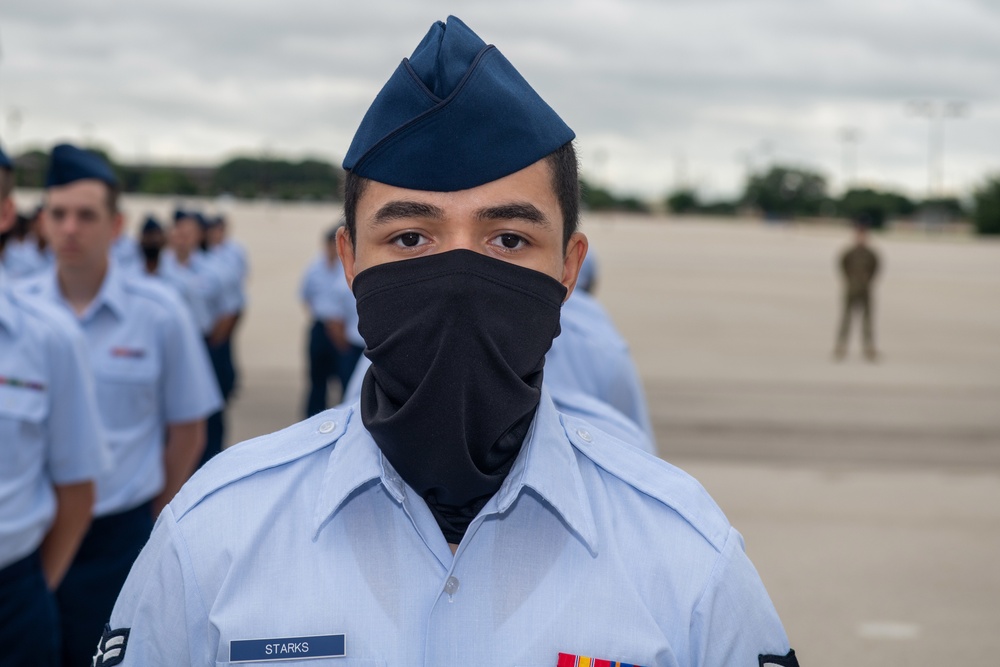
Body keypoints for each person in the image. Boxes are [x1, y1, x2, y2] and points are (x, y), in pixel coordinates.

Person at [105, 17, 797, 667]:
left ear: (568, 268)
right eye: (411, 237)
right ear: (349, 261)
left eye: (508, 239)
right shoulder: (211, 539)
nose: (460, 278)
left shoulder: (687, 557)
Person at [19, 143, 222, 667]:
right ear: (41, 222)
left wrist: (156, 523)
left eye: (86, 215)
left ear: (115, 225)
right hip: (28, 537)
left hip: (119, 536)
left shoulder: (159, 314)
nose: (69, 228)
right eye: (57, 214)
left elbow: (187, 430)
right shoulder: (17, 316)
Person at [0, 146, 108, 666]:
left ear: (6, 213)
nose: (70, 228)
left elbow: (77, 487)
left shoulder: (47, 336)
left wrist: (31, 589)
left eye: (85, 215)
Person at [299, 224, 363, 416]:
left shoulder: (350, 266)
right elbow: (306, 296)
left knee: (347, 383)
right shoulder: (315, 267)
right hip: (322, 327)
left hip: (346, 334)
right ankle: (311, 421)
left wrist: (341, 338)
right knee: (317, 380)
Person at [834, 221, 881, 361]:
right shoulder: (849, 253)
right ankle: (841, 347)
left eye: (863, 235)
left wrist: (868, 281)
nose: (861, 237)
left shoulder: (871, 254)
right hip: (851, 289)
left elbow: (875, 268)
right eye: (859, 235)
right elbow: (842, 266)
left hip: (866, 290)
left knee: (867, 320)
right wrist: (850, 281)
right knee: (846, 318)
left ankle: (869, 348)